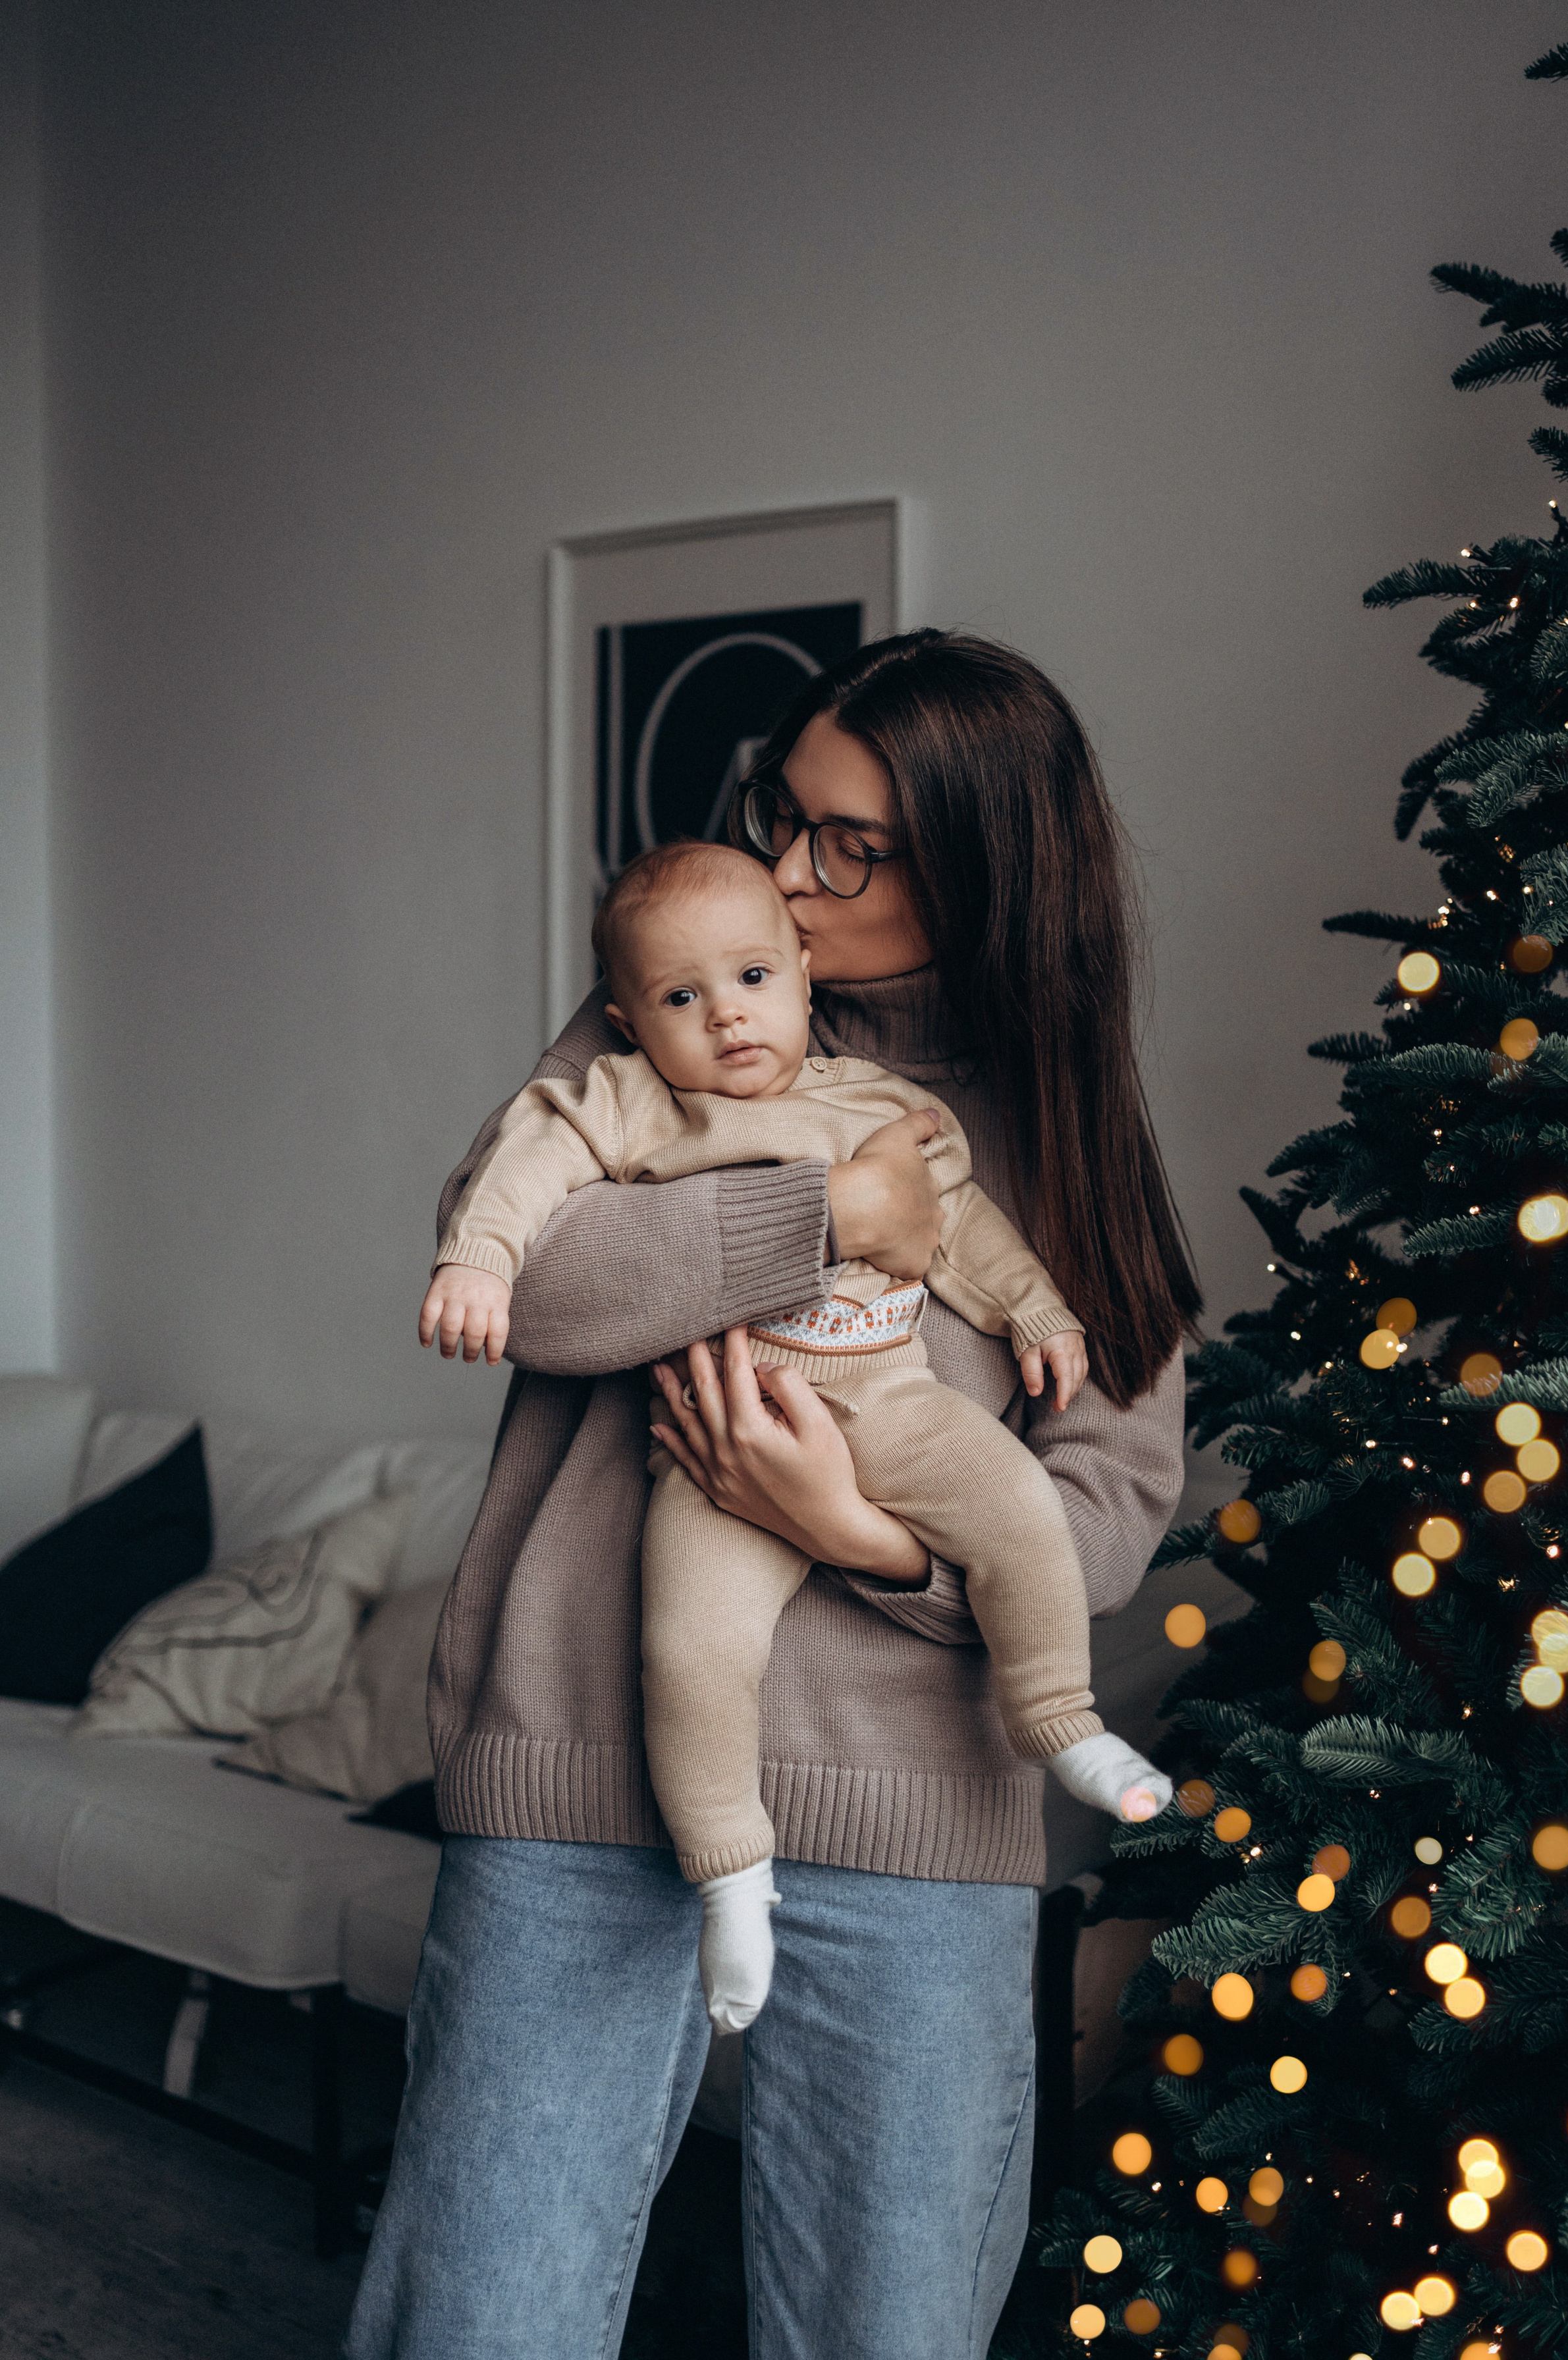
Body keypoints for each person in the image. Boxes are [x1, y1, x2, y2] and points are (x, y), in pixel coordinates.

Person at [346, 630, 1201, 2360]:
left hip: (921, 1802)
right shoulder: (681, 1003)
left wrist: (861, 1539)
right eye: (786, 819)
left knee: (887, 2329)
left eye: (852, 847)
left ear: (988, 861)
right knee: (480, 2316)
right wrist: (827, 1212)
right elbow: (536, 1286)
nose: (794, 885)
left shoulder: (1071, 1130)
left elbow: (1108, 1499)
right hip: (580, 1764)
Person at [417, 838, 1174, 2033]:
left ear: (803, 980)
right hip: (715, 1454)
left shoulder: (888, 1103)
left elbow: (965, 1229)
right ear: (634, 1013)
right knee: (696, 1651)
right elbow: (527, 1177)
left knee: (1020, 1512)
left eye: (852, 848)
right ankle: (733, 1874)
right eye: (682, 998)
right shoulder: (631, 1091)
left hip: (896, 1413)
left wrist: (1026, 1319)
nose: (725, 1017)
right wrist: (478, 1259)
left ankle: (1062, 1721)